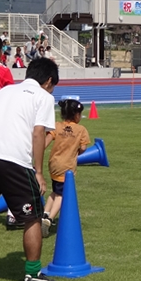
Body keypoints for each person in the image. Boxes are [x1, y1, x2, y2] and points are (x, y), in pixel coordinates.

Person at [0, 57, 59, 281]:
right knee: (31, 217)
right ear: (49, 81)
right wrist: (39, 172)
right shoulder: (44, 97)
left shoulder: (2, 92)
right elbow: (39, 132)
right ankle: (33, 275)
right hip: (12, 159)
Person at [41, 99, 91, 238]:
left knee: (55, 191)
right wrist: (75, 152)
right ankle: (49, 220)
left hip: (54, 164)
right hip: (67, 167)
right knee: (62, 195)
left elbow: (44, 143)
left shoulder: (56, 126)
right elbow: (83, 148)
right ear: (76, 115)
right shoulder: (81, 130)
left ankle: (44, 214)